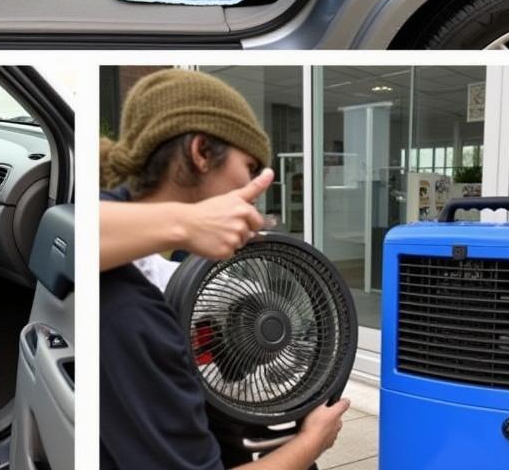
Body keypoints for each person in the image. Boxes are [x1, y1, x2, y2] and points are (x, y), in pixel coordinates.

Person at [100, 69, 349, 470]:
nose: (255, 186)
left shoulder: (116, 239)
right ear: (201, 152)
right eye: (250, 168)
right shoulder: (134, 317)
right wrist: (311, 443)